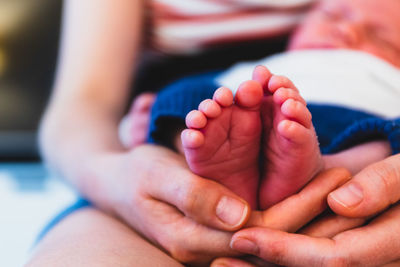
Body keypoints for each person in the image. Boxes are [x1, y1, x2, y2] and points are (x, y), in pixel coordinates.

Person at [27, 0, 400, 266]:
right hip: (176, 179)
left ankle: (320, 171)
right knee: (197, 105)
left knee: (377, 142)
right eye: (332, 13)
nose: (347, 30)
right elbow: (81, 106)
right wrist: (143, 142)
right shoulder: (259, 71)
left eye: (382, 39)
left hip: (365, 144)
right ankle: (216, 159)